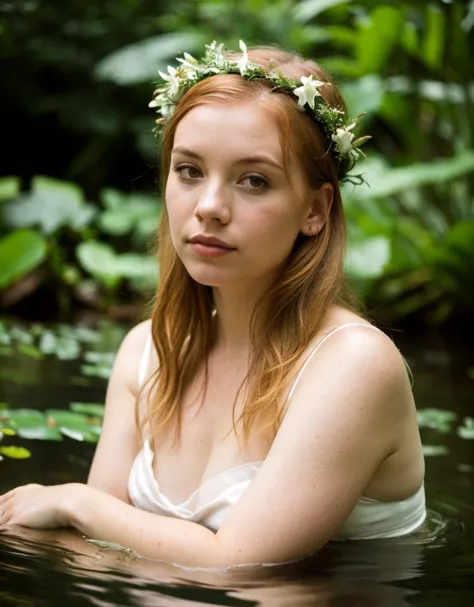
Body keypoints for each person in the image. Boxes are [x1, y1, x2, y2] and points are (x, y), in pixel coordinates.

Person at [0, 41, 426, 567]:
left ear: (314, 209)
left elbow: (237, 563)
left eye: (254, 180)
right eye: (189, 171)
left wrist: (72, 499)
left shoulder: (353, 366)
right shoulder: (145, 352)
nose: (208, 207)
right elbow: (97, 552)